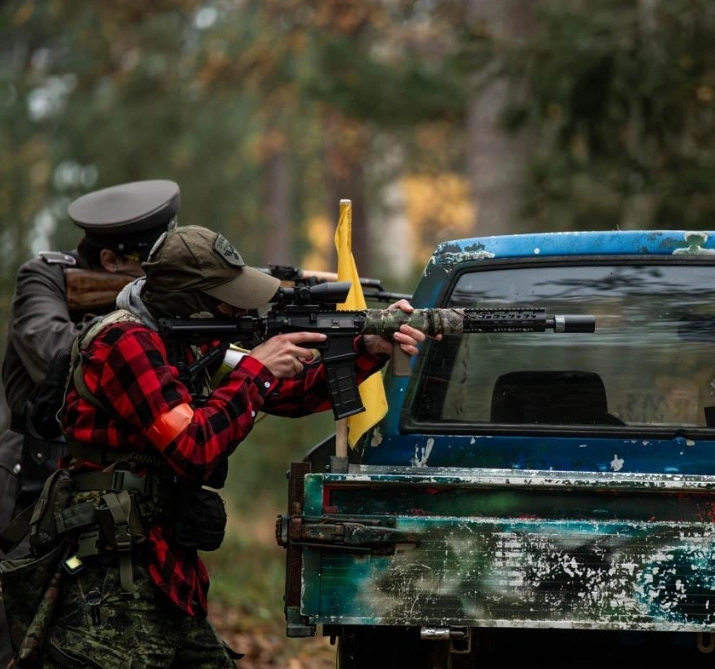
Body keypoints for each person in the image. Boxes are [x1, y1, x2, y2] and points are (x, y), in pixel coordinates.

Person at [13, 225, 429, 668]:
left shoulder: (189, 342)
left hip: (161, 565)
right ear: (190, 299)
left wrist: (369, 348)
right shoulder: (125, 343)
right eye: (225, 295)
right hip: (111, 576)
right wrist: (257, 368)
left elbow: (289, 394)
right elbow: (195, 450)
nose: (237, 305)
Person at [0, 179, 178, 668]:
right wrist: (140, 324)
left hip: (107, 495)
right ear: (111, 263)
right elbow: (56, 350)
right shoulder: (46, 278)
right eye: (151, 266)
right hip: (28, 483)